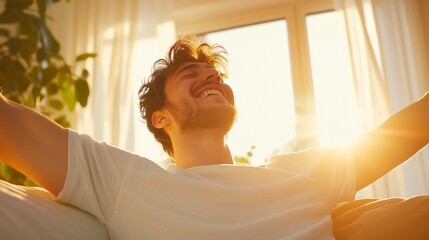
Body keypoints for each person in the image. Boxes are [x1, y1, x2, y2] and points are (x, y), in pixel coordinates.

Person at [0, 35, 428, 239]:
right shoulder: (128, 183)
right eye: (193, 75)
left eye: (216, 76)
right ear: (160, 118)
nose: (212, 78)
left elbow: (399, 134)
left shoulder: (301, 173)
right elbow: (10, 124)